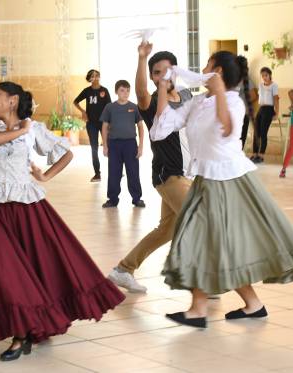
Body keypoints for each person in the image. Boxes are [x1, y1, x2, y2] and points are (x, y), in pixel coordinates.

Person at [0, 81, 125, 361]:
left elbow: (66, 153)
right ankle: (24, 328)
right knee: (1, 268)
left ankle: (24, 332)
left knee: (34, 266)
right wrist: (22, 129)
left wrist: (45, 176)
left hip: (26, 207)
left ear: (12, 100)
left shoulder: (35, 130)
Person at [150, 51, 293, 328]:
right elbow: (160, 129)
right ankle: (248, 305)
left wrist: (217, 93)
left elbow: (227, 130)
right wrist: (161, 89)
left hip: (229, 181)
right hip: (207, 180)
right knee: (213, 244)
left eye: (208, 66)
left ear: (218, 73)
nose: (202, 69)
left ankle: (199, 308)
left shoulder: (234, 103)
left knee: (203, 240)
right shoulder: (200, 102)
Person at [108, 42, 192, 292]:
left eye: (167, 70)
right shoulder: (153, 101)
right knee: (198, 220)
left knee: (167, 229)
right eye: (157, 72)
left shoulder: (187, 96)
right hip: (169, 176)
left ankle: (123, 269)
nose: (162, 76)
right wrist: (142, 58)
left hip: (189, 173)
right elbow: (141, 90)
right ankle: (202, 283)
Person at [99, 79, 145, 208]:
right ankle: (112, 199)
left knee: (133, 172)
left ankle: (137, 198)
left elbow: (141, 126)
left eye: (127, 90)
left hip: (130, 144)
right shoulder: (110, 107)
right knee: (114, 172)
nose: (125, 93)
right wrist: (105, 145)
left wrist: (140, 146)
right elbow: (104, 126)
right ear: (116, 92)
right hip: (114, 144)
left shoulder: (133, 107)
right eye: (122, 90)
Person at [73, 69, 112, 182]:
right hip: (91, 124)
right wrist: (83, 112)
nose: (95, 77)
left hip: (103, 123)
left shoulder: (104, 90)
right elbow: (75, 101)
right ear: (89, 79)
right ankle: (97, 174)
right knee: (94, 148)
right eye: (93, 76)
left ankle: (116, 168)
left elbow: (109, 107)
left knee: (109, 146)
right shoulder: (87, 91)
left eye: (97, 75)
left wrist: (109, 122)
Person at [251, 67, 279, 163]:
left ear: (270, 75)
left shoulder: (274, 85)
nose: (264, 77)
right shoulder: (260, 85)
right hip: (261, 109)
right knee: (256, 132)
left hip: (269, 109)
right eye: (262, 75)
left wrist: (277, 113)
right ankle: (254, 154)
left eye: (266, 75)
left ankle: (261, 155)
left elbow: (276, 99)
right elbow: (260, 98)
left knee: (263, 133)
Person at [237, 56, 257, 149]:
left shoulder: (246, 80)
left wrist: (239, 102)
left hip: (243, 113)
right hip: (233, 114)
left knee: (240, 139)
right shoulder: (231, 79)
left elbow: (253, 95)